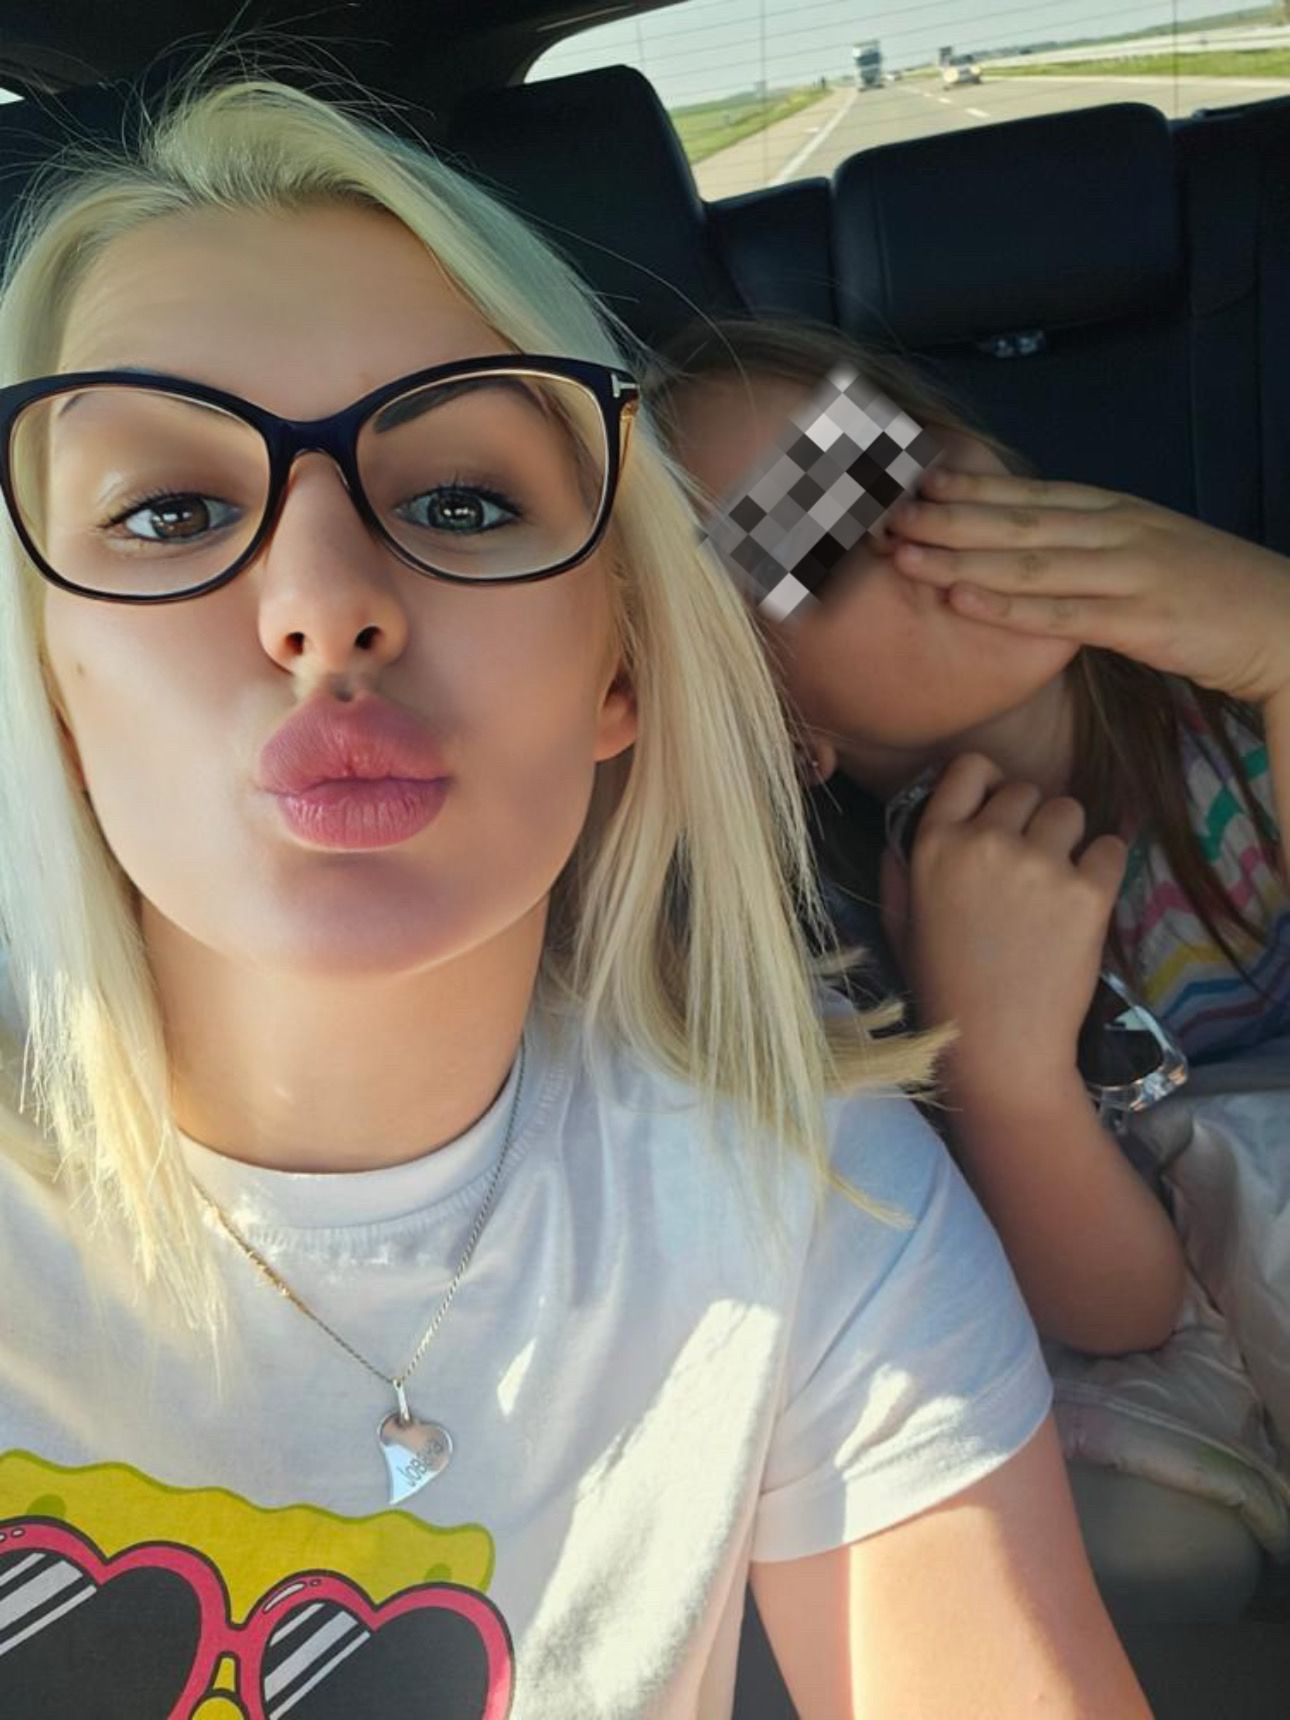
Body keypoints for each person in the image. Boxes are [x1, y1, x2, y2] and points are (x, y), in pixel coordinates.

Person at [0, 71, 1148, 1719]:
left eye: (461, 503)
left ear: (623, 671)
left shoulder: (805, 1196)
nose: (323, 604)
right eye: (170, 513)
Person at [654, 315, 1290, 1365]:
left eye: (889, 447)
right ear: (777, 728)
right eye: (808, 540)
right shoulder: (851, 963)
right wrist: (1004, 1072)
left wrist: (1275, 641)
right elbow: (1125, 1315)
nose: (908, 519)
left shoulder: (1237, 701)